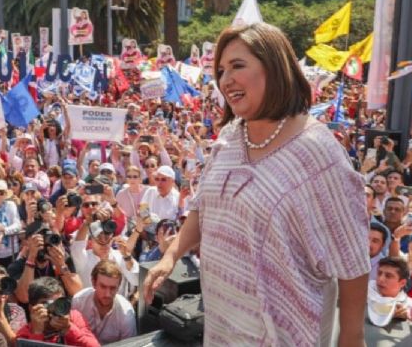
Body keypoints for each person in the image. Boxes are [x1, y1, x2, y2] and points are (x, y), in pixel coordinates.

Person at [143, 23, 370, 346]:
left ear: (274, 67)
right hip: (222, 325)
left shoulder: (318, 152)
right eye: (221, 70)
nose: (225, 80)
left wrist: (351, 338)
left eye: (238, 65)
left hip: (286, 333)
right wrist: (171, 256)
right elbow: (202, 207)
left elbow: (352, 260)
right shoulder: (229, 137)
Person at [15, 277, 99, 347]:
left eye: (58, 303)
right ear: (31, 308)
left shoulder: (73, 317)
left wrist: (69, 328)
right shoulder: (24, 334)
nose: (53, 308)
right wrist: (37, 334)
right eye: (46, 304)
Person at [71, 260, 136, 344]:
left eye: (112, 288)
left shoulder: (126, 313)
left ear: (118, 287)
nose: (107, 294)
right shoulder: (78, 301)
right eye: (103, 286)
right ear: (93, 283)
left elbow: (129, 345)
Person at [367, 257, 412, 327]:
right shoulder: (362, 291)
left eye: (388, 276)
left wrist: (408, 315)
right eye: (379, 273)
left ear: (402, 283)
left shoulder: (408, 306)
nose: (381, 279)